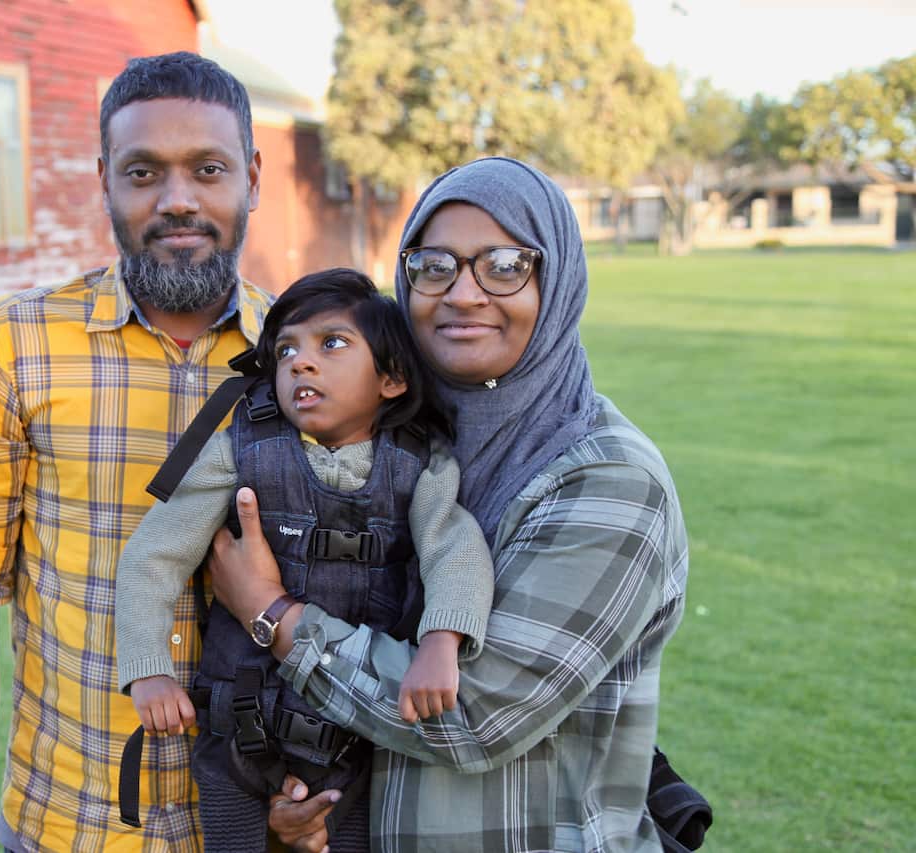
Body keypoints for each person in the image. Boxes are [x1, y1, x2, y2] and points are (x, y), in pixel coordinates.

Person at [206, 157, 693, 852]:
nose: (463, 292)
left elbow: (471, 715)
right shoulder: (403, 452)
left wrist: (274, 616)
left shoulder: (610, 483)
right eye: (433, 265)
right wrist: (299, 805)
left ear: (555, 283)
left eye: (504, 264)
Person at [0, 52, 270, 852]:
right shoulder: (14, 346)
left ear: (252, 175)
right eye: (143, 171)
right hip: (67, 826)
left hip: (255, 828)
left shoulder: (313, 356)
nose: (177, 199)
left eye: (208, 169)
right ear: (104, 178)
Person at [115, 269, 495, 852]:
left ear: (391, 378)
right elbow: (153, 555)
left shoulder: (420, 466)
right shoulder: (239, 451)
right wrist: (148, 668)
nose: (301, 363)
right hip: (237, 732)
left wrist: (442, 642)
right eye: (286, 349)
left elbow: (456, 551)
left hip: (358, 738)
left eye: (332, 343)